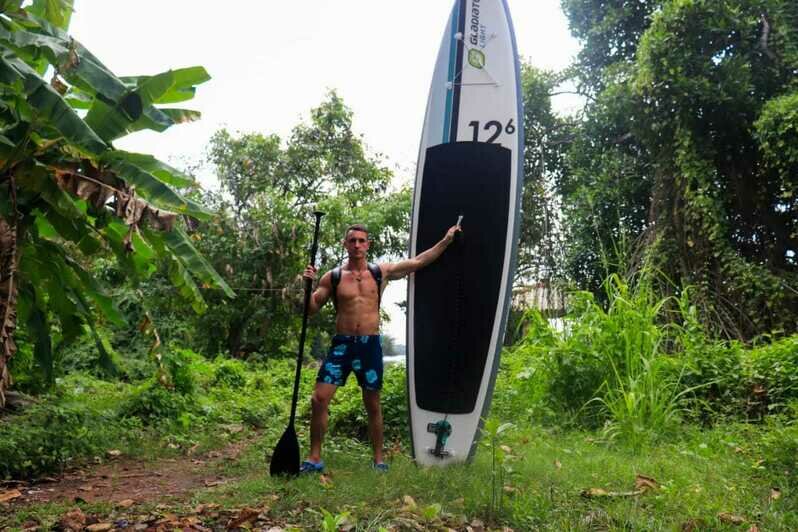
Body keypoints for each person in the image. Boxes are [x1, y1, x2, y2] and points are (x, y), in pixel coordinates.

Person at [300, 222, 462, 473]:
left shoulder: (380, 272)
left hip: (370, 346)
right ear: (345, 244)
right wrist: (306, 285)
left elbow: (418, 262)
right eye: (352, 240)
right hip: (342, 346)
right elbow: (310, 309)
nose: (357, 245)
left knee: (372, 403)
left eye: (361, 241)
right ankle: (314, 458)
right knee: (319, 399)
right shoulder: (332, 277)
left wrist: (446, 240)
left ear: (368, 245)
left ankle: (378, 460)